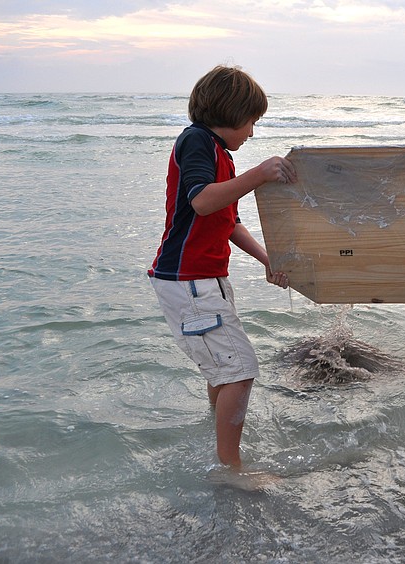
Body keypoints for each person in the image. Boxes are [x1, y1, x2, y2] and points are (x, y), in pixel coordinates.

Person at [148, 65, 297, 468]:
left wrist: (270, 260)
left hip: (205, 279)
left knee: (223, 369)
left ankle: (214, 441)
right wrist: (260, 174)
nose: (252, 131)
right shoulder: (196, 141)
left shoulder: (222, 157)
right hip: (188, 280)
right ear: (229, 114)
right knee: (240, 370)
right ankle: (230, 467)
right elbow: (202, 201)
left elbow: (227, 221)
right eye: (251, 122)